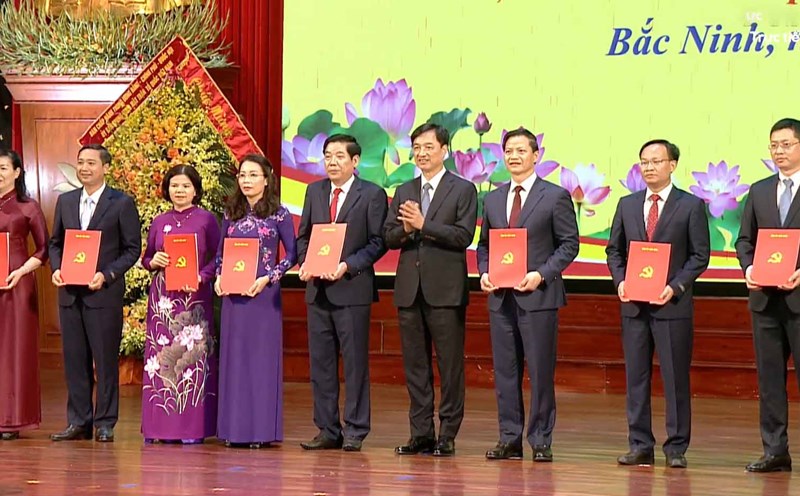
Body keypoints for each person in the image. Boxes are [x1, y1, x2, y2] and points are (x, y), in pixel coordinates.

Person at [476, 128, 579, 463]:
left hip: (539, 297)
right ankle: (509, 438)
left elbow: (569, 245)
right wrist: (484, 273)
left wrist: (541, 274)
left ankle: (540, 438)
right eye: (509, 151)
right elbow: (485, 246)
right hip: (501, 299)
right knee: (505, 371)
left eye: (521, 150)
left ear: (536, 155)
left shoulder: (555, 196)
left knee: (539, 370)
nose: (514, 156)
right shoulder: (492, 197)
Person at [606, 139, 710, 469]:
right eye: (644, 162)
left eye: (656, 161)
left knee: (675, 378)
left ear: (672, 165)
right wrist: (621, 280)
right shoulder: (627, 204)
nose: (649, 167)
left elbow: (699, 255)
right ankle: (640, 444)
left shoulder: (691, 205)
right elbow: (614, 251)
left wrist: (675, 286)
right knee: (636, 377)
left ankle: (676, 447)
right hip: (634, 306)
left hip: (671, 306)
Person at [384, 123, 477, 457]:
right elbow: (388, 236)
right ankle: (421, 432)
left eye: (428, 147)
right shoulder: (405, 189)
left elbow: (463, 236)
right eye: (416, 148)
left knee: (449, 366)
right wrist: (407, 230)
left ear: (444, 150)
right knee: (415, 366)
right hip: (410, 290)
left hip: (445, 290)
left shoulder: (463, 190)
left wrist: (426, 225)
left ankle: (447, 434)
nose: (421, 153)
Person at [297, 134, 388, 452]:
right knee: (320, 364)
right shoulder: (314, 190)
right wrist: (306, 262)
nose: (332, 162)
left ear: (355, 161)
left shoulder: (373, 194)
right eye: (327, 156)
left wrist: (347, 265)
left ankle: (356, 429)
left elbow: (378, 242)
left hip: (351, 290)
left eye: (338, 156)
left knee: (354, 364)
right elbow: (304, 236)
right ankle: (327, 428)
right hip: (318, 291)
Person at [48, 143, 142, 443]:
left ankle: (105, 422)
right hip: (70, 294)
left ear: (105, 167)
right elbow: (55, 243)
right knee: (75, 360)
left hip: (103, 294)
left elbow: (132, 249)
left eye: (91, 163)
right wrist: (56, 269)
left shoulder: (121, 203)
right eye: (81, 162)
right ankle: (79, 421)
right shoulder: (65, 201)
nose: (84, 168)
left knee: (104, 360)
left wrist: (107, 275)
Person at [215, 154, 297, 448]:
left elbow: (292, 255)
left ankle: (260, 432)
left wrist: (268, 277)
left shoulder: (279, 214)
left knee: (260, 363)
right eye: (242, 175)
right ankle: (232, 430)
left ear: (266, 178)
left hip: (263, 296)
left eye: (252, 175)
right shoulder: (231, 211)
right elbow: (221, 254)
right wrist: (219, 277)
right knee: (235, 361)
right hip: (234, 298)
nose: (246, 180)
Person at [736, 118, 800, 473]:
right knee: (770, 379)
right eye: (774, 144)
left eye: (786, 144)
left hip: (799, 298)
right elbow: (744, 240)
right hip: (765, 302)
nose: (779, 151)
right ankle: (775, 451)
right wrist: (750, 270)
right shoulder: (759, 191)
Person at [140, 165, 221, 444]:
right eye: (174, 185)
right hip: (163, 301)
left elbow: (217, 257)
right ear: (167, 189)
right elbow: (147, 257)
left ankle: (191, 429)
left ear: (196, 190)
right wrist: (154, 261)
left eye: (186, 186)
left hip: (194, 299)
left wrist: (202, 276)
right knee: (161, 362)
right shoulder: (159, 220)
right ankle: (159, 428)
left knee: (192, 360)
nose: (180, 191)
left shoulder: (206, 220)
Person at [0, 149, 49, 440]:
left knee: (15, 351)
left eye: (4, 167)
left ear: (17, 172)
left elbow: (43, 250)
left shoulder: (28, 206)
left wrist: (20, 272)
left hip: (16, 285)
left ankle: (12, 419)